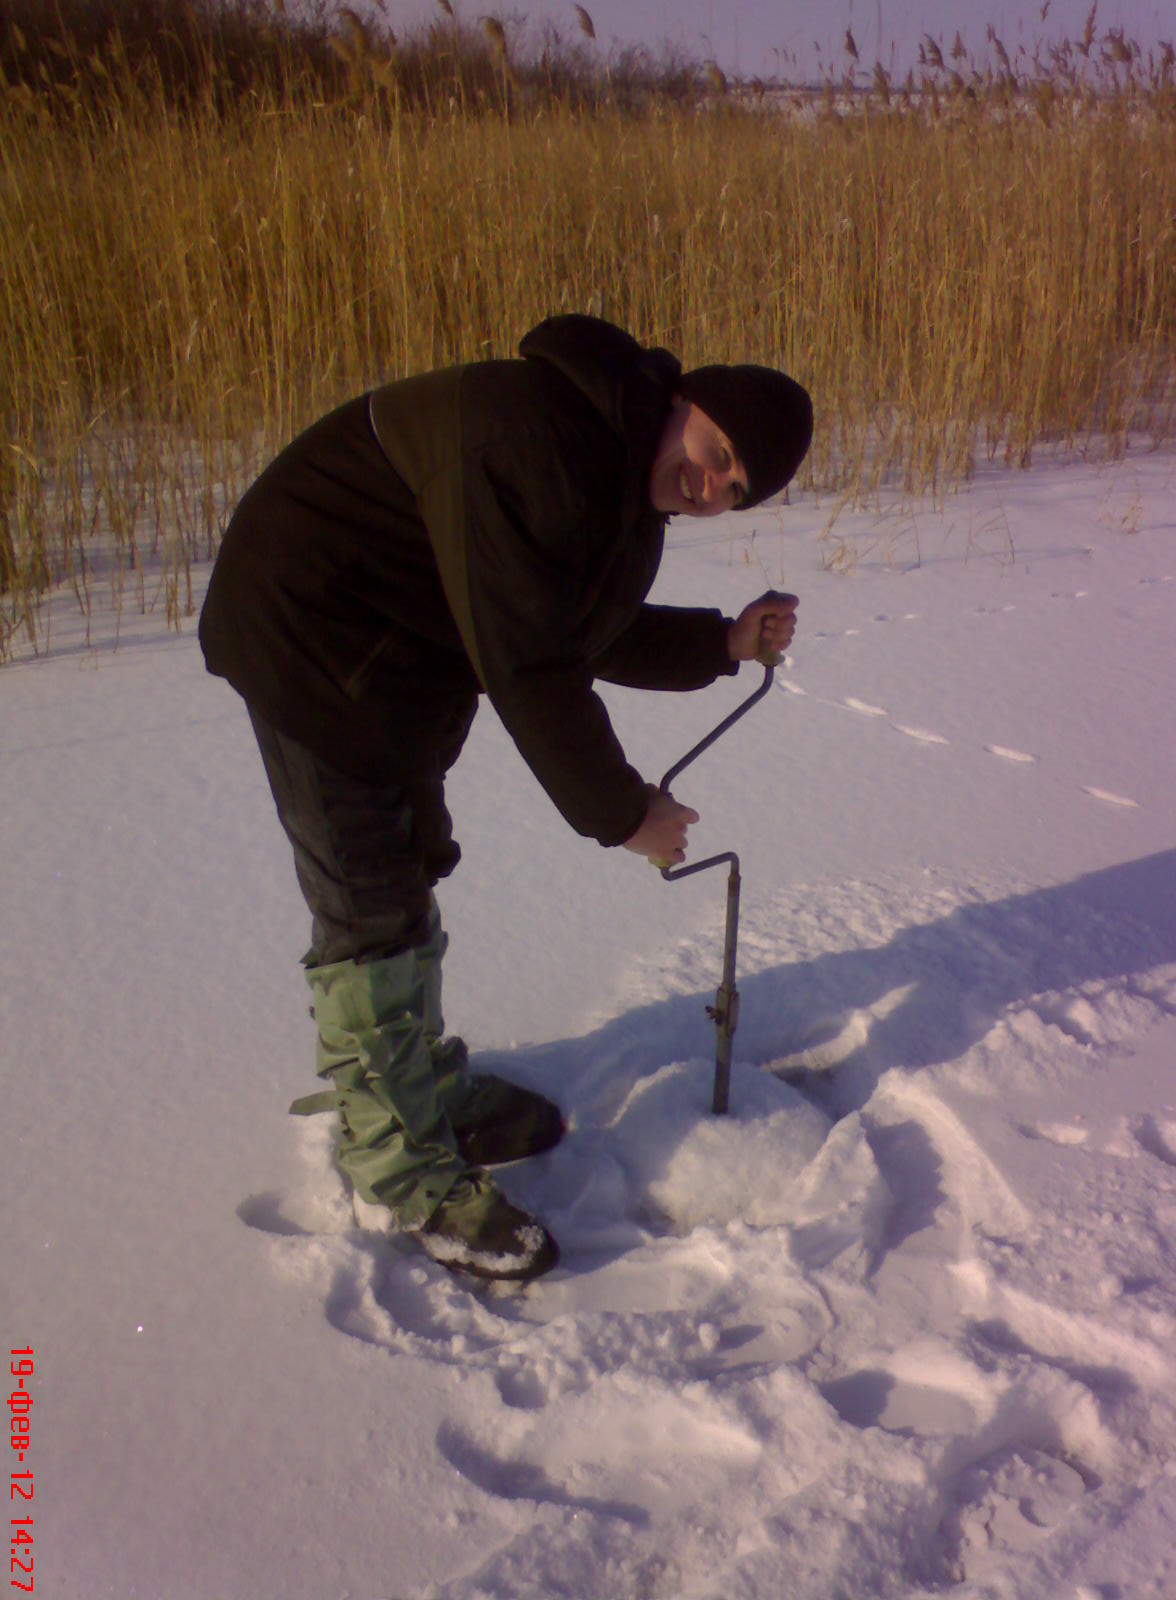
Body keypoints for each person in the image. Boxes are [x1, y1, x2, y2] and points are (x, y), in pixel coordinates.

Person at [199, 314, 812, 1283]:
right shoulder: (542, 447)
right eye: (720, 453)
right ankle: (399, 1165)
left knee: (405, 864)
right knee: (367, 893)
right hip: (310, 636)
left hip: (397, 651)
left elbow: (575, 624)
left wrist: (721, 643)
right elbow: (530, 662)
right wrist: (623, 813)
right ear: (687, 401)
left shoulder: (617, 475)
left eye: (734, 491)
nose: (711, 487)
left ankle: (417, 1090)